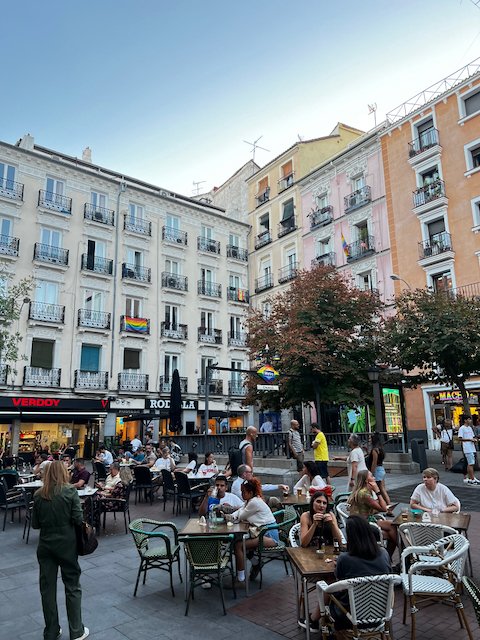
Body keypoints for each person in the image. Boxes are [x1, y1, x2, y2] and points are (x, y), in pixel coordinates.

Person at [32, 461, 89, 640]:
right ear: (63, 472)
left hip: (46, 545)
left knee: (47, 589)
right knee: (72, 586)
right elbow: (78, 519)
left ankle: (51, 630)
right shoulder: (69, 491)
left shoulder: (39, 494)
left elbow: (35, 524)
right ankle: (76, 630)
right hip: (67, 544)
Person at [309, 516, 391, 632]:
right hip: (380, 614)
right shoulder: (384, 554)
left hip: (349, 616)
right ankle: (314, 619)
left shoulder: (345, 558)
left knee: (329, 586)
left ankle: (314, 619)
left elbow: (340, 584)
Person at [226, 478, 279, 584]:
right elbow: (241, 510)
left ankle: (240, 580)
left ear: (250, 492)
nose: (242, 494)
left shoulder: (254, 502)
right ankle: (256, 564)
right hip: (262, 532)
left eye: (244, 492)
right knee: (240, 543)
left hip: (269, 535)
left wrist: (232, 517)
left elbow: (241, 515)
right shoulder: (251, 500)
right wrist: (232, 516)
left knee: (239, 546)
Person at [347, 470, 397, 558]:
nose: (374, 478)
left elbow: (374, 508)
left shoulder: (364, 491)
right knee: (392, 532)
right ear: (366, 480)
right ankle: (398, 556)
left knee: (393, 525)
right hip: (362, 524)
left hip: (366, 520)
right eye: (371, 476)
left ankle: (390, 558)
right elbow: (383, 508)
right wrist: (378, 491)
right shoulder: (364, 493)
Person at [366, 432, 391, 508]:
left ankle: (387, 506)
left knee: (378, 489)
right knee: (382, 488)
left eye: (370, 438)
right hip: (381, 469)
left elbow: (374, 462)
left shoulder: (374, 450)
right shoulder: (380, 449)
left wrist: (371, 473)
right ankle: (388, 505)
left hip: (377, 470)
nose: (369, 440)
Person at [458, 417, 480, 484]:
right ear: (465, 420)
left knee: (471, 463)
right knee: (470, 464)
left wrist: (475, 440)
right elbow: (460, 438)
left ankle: (471, 477)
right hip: (467, 448)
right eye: (469, 419)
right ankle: (472, 479)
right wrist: (470, 440)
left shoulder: (470, 428)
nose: (470, 420)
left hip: (472, 447)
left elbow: (472, 436)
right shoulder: (462, 428)